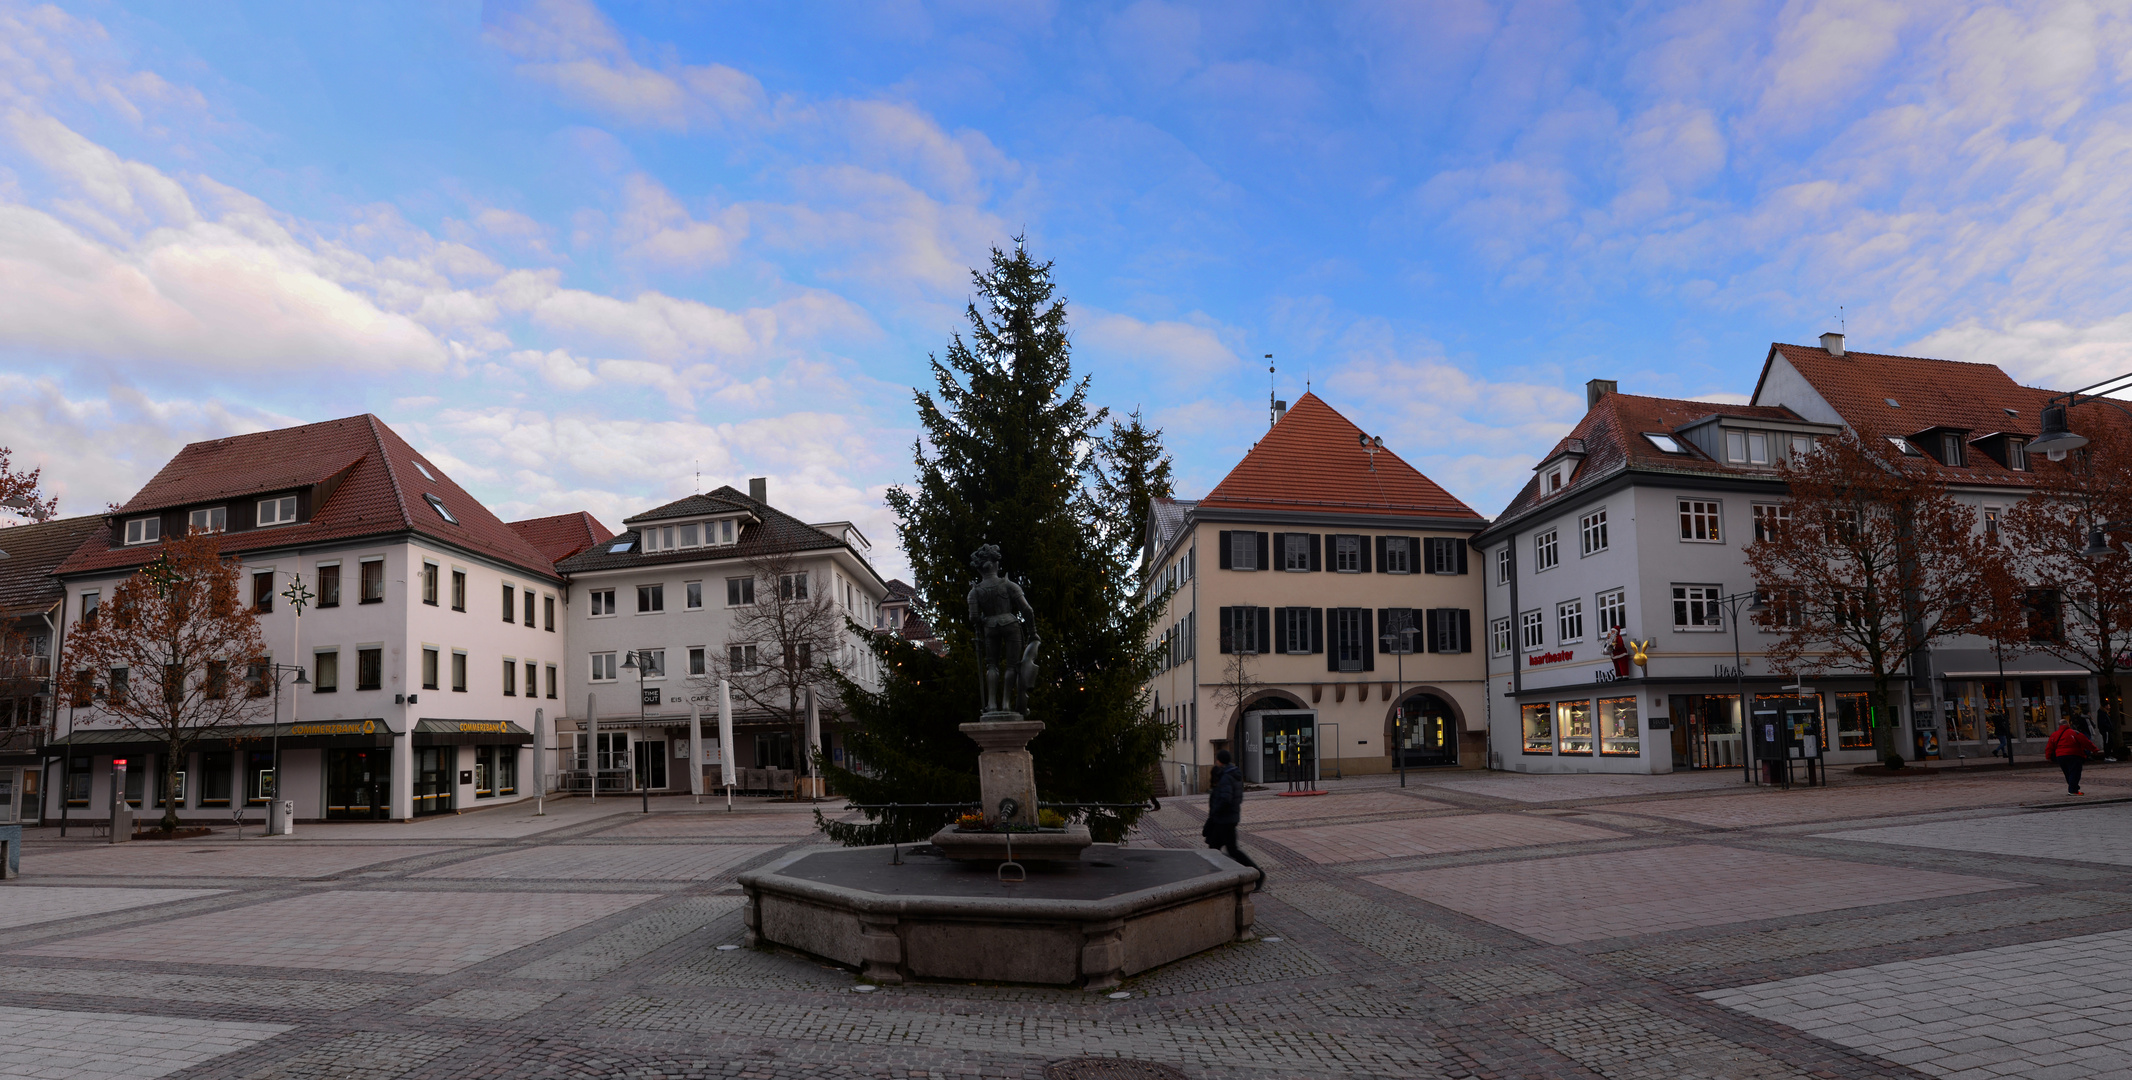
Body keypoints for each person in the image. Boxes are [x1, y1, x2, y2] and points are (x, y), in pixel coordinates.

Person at [1202, 748, 1262, 887]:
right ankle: (1218, 877)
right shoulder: (1233, 774)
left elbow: (1226, 799)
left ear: (1220, 761)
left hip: (1224, 819)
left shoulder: (1226, 777)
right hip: (1229, 818)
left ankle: (1257, 875)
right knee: (1217, 849)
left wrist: (1215, 812)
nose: (1216, 762)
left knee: (1223, 850)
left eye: (1217, 759)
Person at [2045, 716, 2098, 796]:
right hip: (2074, 755)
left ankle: (2073, 788)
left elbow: (2049, 747)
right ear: (2068, 724)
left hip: (2060, 756)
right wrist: (2094, 749)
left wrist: (2048, 756)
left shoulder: (2054, 735)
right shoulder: (2074, 733)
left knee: (2067, 773)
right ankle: (2073, 790)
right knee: (2075, 772)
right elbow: (2086, 741)